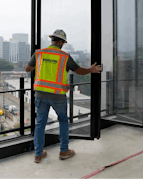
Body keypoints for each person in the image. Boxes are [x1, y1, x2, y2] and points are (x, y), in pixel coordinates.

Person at [25, 29, 102, 163]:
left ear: (52, 40)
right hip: (57, 96)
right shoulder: (64, 56)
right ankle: (64, 151)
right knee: (63, 121)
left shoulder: (39, 53)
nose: (63, 45)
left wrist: (38, 66)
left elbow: (27, 68)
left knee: (40, 124)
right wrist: (91, 70)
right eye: (63, 42)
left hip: (40, 94)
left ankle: (38, 154)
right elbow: (79, 70)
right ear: (60, 42)